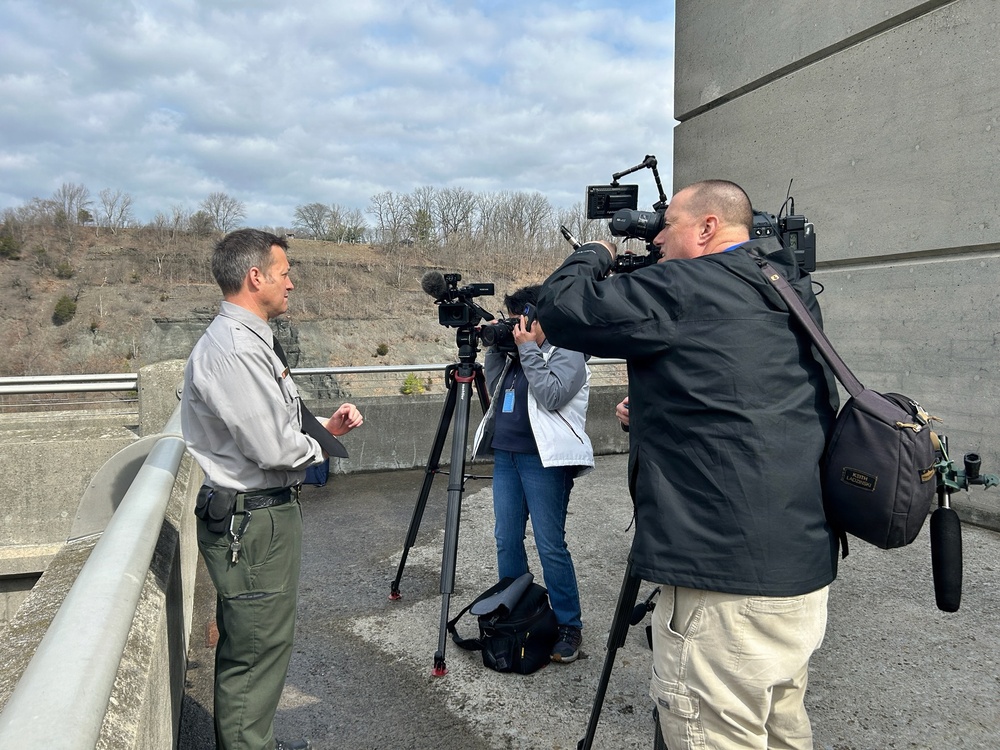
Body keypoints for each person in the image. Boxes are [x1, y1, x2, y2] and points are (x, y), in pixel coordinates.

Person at [536, 180, 840, 748]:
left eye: (667, 225)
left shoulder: (691, 285)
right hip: (797, 570)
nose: (659, 240)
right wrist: (658, 412)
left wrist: (597, 254)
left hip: (724, 582)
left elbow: (558, 310)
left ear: (706, 228)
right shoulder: (785, 286)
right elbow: (743, 396)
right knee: (780, 733)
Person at [181, 228, 363, 750]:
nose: (292, 282)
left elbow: (268, 427)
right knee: (255, 650)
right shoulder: (236, 349)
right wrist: (320, 448)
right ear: (255, 276)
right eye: (284, 273)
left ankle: (251, 741)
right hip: (253, 520)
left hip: (255, 515)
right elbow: (273, 449)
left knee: (255, 642)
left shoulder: (247, 340)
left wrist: (325, 428)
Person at [472, 284, 594, 663]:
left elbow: (552, 395)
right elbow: (494, 389)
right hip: (507, 456)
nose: (515, 326)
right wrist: (496, 347)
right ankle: (517, 608)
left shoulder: (568, 352)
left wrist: (526, 350)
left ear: (541, 317)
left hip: (545, 461)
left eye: (520, 318)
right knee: (506, 539)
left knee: (549, 544)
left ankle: (569, 625)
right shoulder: (514, 354)